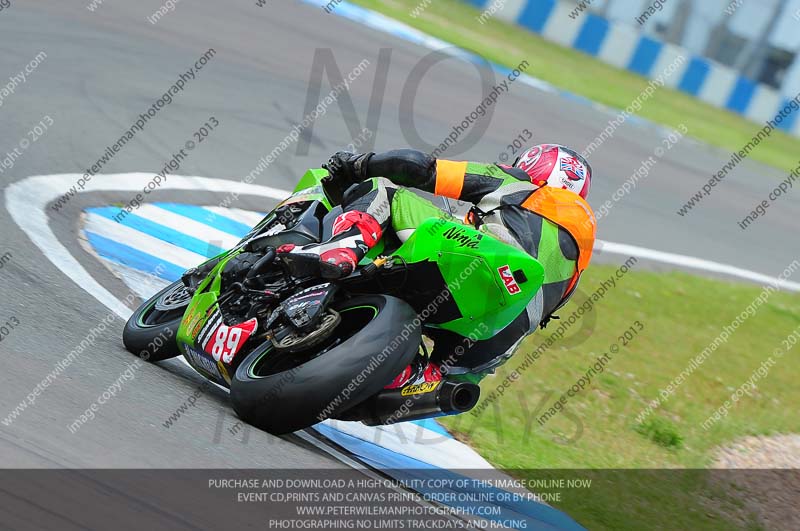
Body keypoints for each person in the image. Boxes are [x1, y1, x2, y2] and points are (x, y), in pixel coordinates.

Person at [277, 145, 596, 387]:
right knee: (445, 385)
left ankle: (341, 250)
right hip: (500, 331)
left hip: (471, 263)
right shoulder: (580, 255)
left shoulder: (519, 184)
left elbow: (422, 168)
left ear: (533, 165)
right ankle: (407, 379)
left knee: (385, 190)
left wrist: (359, 164)